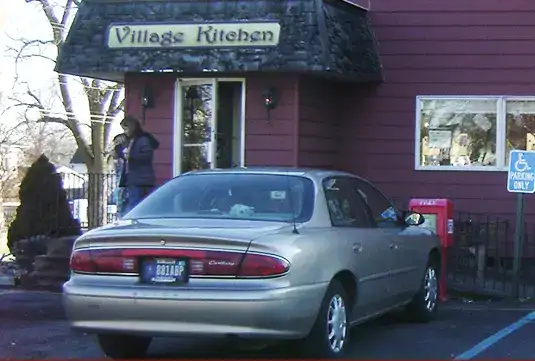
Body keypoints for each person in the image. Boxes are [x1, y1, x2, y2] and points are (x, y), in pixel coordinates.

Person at [117, 115, 160, 213]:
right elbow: (124, 155)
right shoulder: (130, 141)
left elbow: (147, 156)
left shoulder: (143, 140)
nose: (125, 132)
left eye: (126, 128)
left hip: (141, 180)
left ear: (132, 127)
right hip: (132, 179)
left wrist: (131, 157)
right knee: (131, 205)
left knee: (136, 206)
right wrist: (118, 148)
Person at [111, 133, 129, 217]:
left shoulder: (123, 152)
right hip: (121, 180)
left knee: (123, 201)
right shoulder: (118, 155)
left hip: (126, 182)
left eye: (118, 142)